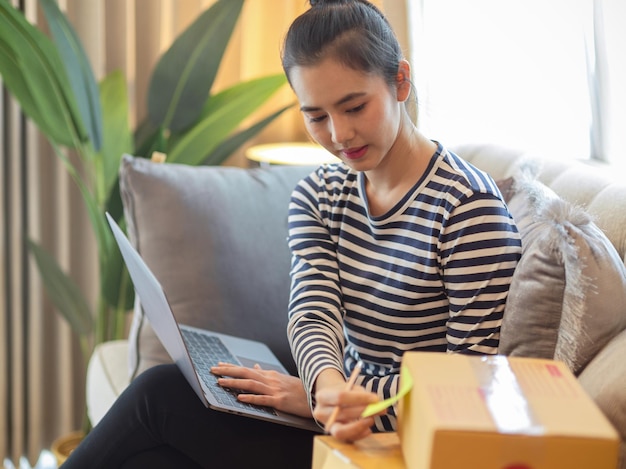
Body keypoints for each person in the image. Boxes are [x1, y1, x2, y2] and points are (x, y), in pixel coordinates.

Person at [62, 0, 521, 467]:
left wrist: (329, 398)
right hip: (335, 417)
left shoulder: (467, 209)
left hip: (402, 442)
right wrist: (326, 385)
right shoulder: (320, 193)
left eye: (354, 106)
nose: (340, 134)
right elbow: (313, 309)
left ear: (400, 81)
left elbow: (470, 388)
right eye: (317, 116)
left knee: (157, 395)